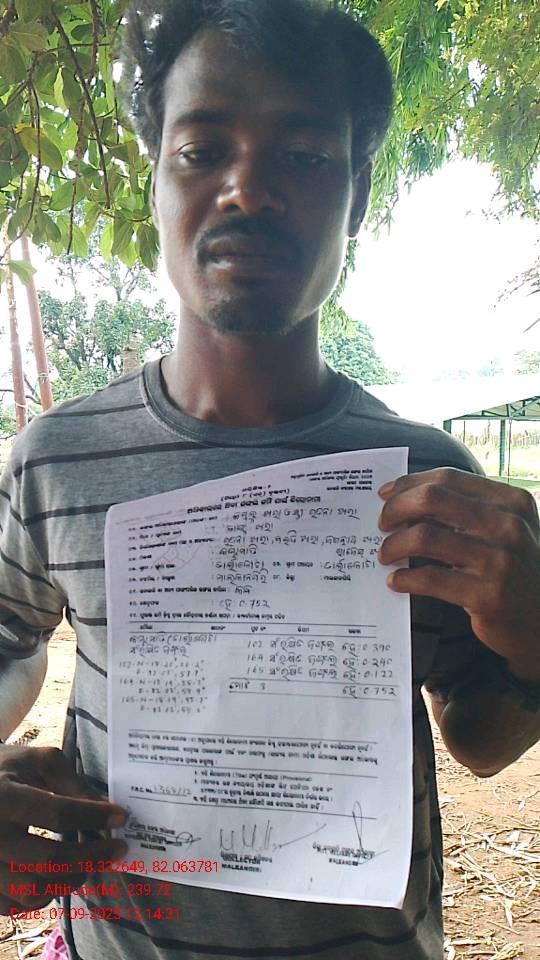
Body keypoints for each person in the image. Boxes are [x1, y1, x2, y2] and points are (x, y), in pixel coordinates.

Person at [1, 1, 539, 958]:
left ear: (357, 198)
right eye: (202, 151)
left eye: (305, 156)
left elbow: (482, 738)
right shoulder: (56, 459)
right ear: (156, 181)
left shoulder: (428, 480)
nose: (247, 190)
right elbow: (11, 643)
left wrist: (537, 631)